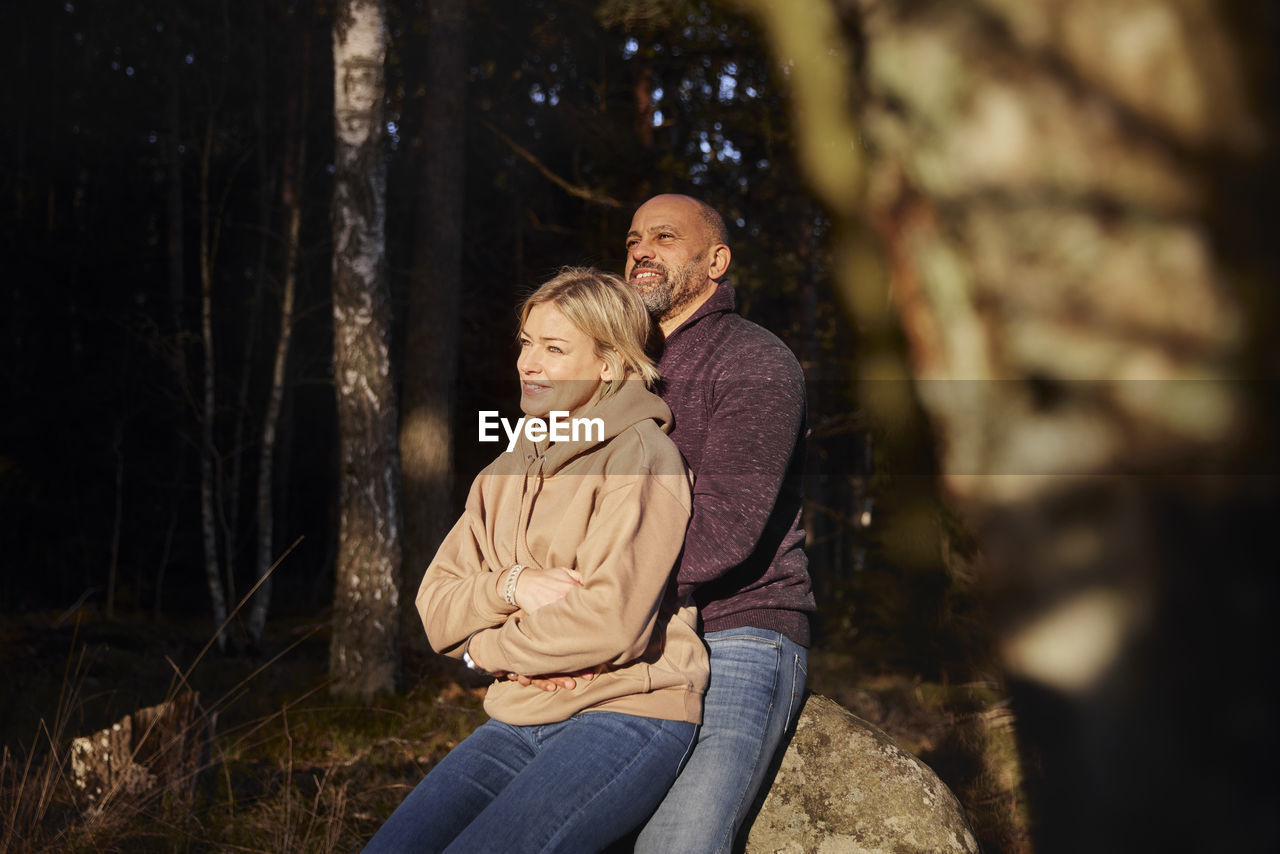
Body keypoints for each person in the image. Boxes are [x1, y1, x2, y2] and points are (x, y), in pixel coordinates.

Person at [361, 267, 709, 854]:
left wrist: (484, 650)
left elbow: (608, 624)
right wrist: (511, 585)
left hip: (626, 713)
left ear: (608, 363)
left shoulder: (642, 458)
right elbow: (435, 603)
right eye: (526, 343)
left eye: (554, 348)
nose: (529, 363)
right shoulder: (504, 469)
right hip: (519, 713)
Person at [515, 194, 816, 852]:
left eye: (664, 236)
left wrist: (600, 613)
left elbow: (726, 529)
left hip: (737, 631)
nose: (641, 250)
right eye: (631, 240)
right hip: (628, 630)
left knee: (675, 843)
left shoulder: (754, 362)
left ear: (717, 262)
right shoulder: (610, 373)